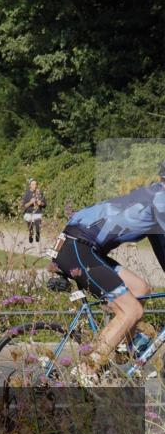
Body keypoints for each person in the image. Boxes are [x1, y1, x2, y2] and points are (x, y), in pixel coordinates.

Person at [51, 161, 165, 376]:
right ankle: (87, 369)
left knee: (140, 288)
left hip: (79, 247)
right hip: (77, 247)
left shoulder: (152, 196)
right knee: (131, 310)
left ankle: (121, 348)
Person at [21, 179, 47, 244]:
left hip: (37, 213)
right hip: (29, 213)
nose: (34, 186)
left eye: (35, 184)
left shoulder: (40, 192)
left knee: (38, 228)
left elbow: (45, 204)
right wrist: (30, 202)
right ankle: (30, 235)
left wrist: (40, 203)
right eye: (32, 184)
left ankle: (37, 239)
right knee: (30, 229)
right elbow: (24, 206)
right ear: (30, 185)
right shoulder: (27, 194)